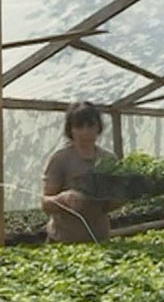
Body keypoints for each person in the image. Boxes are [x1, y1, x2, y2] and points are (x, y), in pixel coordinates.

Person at [41, 101, 123, 243]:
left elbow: (109, 206)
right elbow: (45, 203)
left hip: (99, 239)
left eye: (90, 125)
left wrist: (121, 197)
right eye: (79, 126)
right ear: (70, 130)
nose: (85, 131)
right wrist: (63, 199)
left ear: (98, 127)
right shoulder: (60, 159)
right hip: (63, 241)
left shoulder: (108, 159)